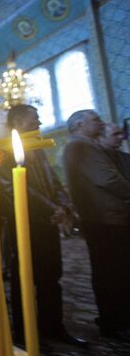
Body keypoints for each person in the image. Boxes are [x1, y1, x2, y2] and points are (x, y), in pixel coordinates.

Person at [0, 104, 85, 346]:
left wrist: (64, 205)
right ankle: (25, 333)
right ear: (17, 121)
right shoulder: (4, 149)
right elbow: (14, 188)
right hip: (26, 222)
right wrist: (51, 208)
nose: (38, 122)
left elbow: (52, 180)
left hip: (49, 221)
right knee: (24, 277)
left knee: (51, 275)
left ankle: (53, 327)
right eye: (33, 118)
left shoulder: (39, 145)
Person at [62, 109, 130, 341]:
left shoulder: (84, 145)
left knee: (113, 269)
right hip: (105, 218)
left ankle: (116, 316)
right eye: (95, 119)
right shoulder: (81, 146)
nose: (101, 123)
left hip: (104, 217)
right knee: (111, 270)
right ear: (80, 125)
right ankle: (113, 319)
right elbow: (108, 179)